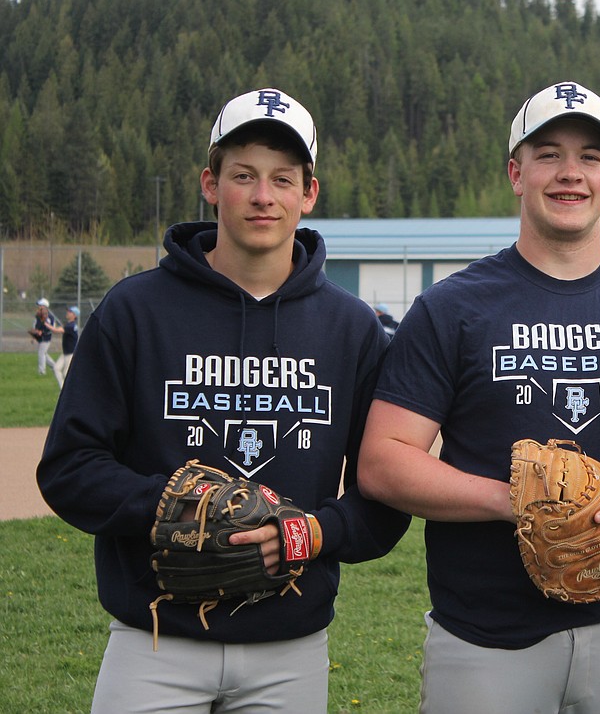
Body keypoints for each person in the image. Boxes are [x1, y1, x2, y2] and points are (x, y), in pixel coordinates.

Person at [357, 80, 600, 714]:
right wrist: (516, 502)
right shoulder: (453, 308)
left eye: (588, 157)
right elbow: (382, 460)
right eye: (548, 153)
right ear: (515, 173)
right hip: (483, 636)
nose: (569, 173)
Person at [37, 87, 411, 713]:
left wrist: (311, 533)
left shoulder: (352, 330)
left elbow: (384, 499)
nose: (263, 196)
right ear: (210, 184)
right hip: (155, 637)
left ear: (308, 193)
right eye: (243, 175)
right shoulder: (135, 311)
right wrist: (175, 509)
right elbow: (68, 467)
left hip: (289, 646)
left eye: (282, 179)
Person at [51, 305, 80, 388]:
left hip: (71, 353)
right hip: (65, 353)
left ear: (74, 315)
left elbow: (56, 330)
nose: (67, 313)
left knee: (65, 373)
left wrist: (45, 324)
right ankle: (63, 389)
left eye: (70, 312)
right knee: (56, 368)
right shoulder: (69, 325)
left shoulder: (71, 326)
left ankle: (70, 390)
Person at [31, 298, 57, 375]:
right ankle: (54, 366)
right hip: (40, 338)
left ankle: (42, 371)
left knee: (41, 354)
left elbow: (51, 328)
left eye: (40, 306)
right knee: (44, 354)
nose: (38, 307)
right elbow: (36, 326)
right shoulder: (38, 316)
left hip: (46, 338)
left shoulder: (50, 317)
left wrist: (42, 332)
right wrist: (34, 336)